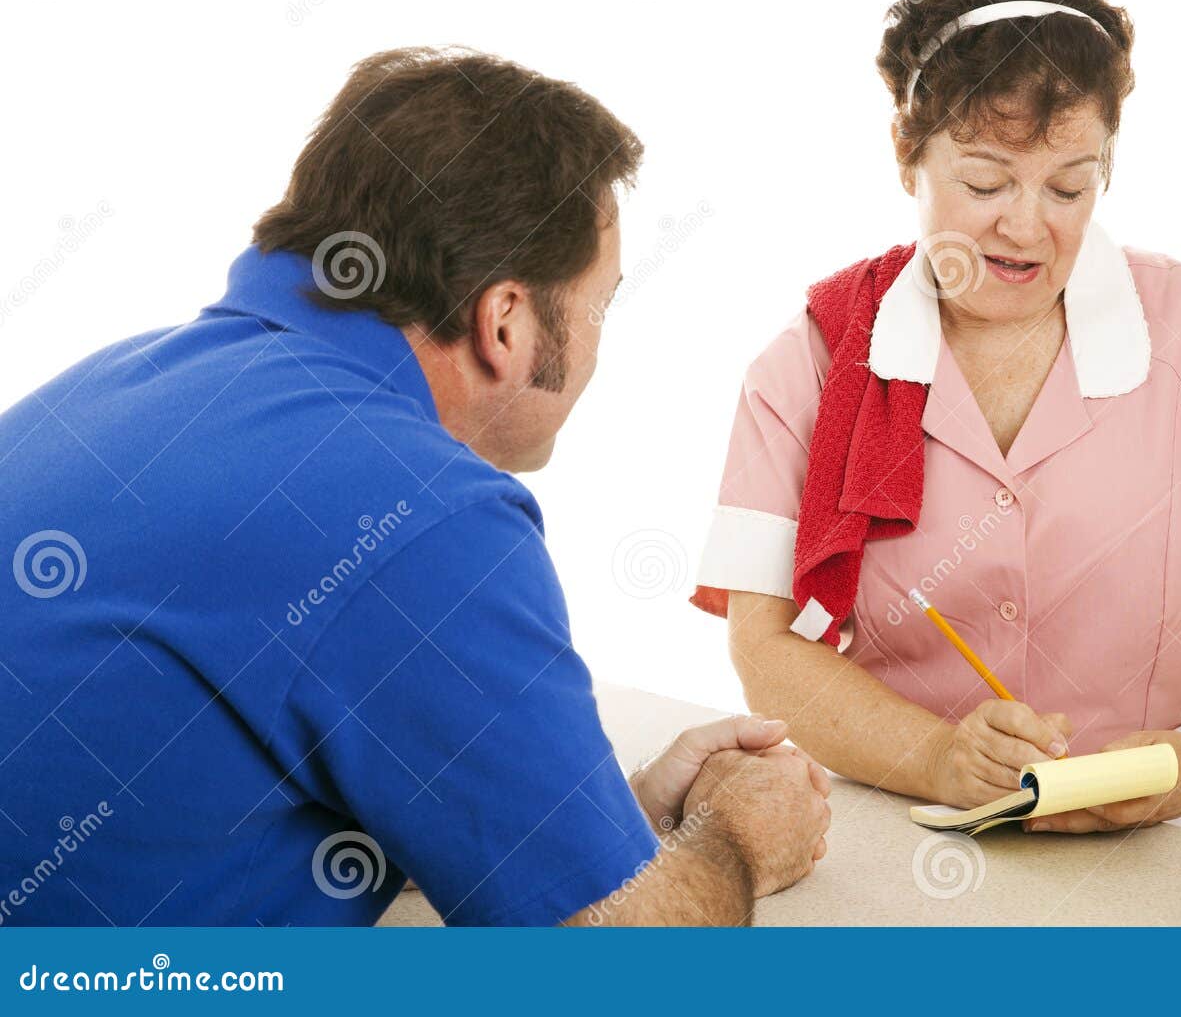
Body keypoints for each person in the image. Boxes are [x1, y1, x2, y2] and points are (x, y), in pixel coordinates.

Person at [0, 47, 828, 926]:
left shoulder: (111, 385)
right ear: (504, 321)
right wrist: (733, 832)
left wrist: (594, 819)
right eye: (600, 305)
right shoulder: (424, 512)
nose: (596, 344)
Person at [692, 0, 1181, 840]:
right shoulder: (812, 368)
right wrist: (937, 754)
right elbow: (767, 645)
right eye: (984, 183)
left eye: (1070, 185)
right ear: (908, 154)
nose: (1026, 226)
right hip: (913, 834)